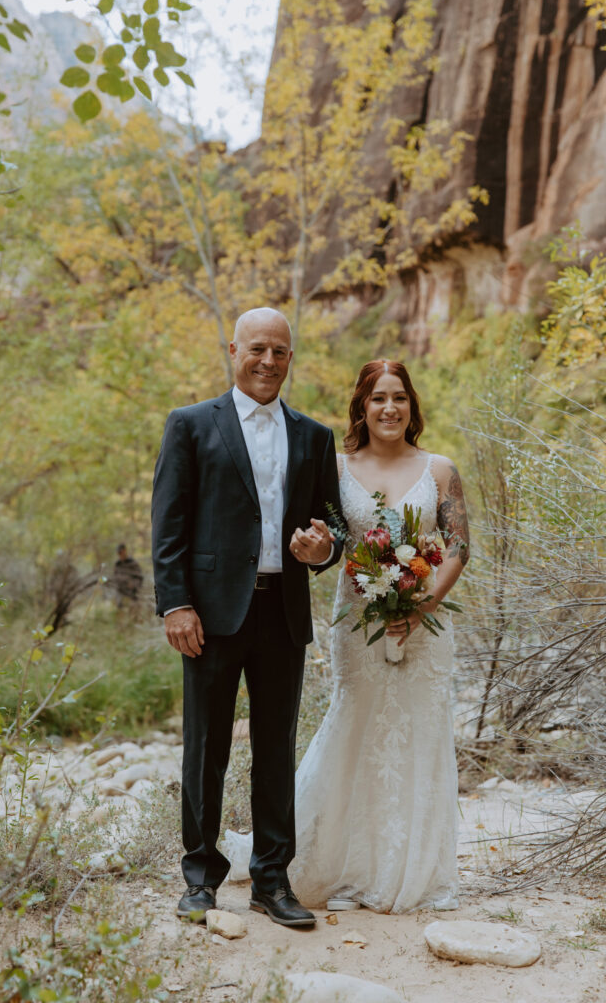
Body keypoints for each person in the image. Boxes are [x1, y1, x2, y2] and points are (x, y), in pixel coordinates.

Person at [224, 359, 469, 913]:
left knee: (420, 732)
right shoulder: (333, 467)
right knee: (355, 725)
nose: (390, 408)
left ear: (412, 406)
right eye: (378, 398)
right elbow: (328, 536)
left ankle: (408, 868)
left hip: (426, 625)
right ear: (361, 406)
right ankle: (327, 859)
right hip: (358, 622)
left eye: (400, 398)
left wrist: (423, 603)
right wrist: (319, 552)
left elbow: (457, 546)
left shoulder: (440, 469)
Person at [151, 307, 344, 928]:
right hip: (208, 613)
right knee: (206, 746)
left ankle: (270, 880)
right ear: (233, 350)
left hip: (282, 612)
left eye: (280, 352)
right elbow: (169, 524)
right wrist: (175, 602)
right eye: (257, 349)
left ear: (292, 358)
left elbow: (332, 522)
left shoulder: (314, 436)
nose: (268, 361)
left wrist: (326, 550)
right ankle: (201, 878)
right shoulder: (189, 425)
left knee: (276, 749)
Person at [113, 544, 143, 615]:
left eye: (121, 552)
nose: (120, 555)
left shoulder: (133, 563)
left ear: (125, 551)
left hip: (132, 593)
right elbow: (114, 577)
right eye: (118, 553)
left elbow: (139, 577)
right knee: (120, 612)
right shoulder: (117, 564)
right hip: (120, 593)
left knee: (133, 612)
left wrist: (133, 584)